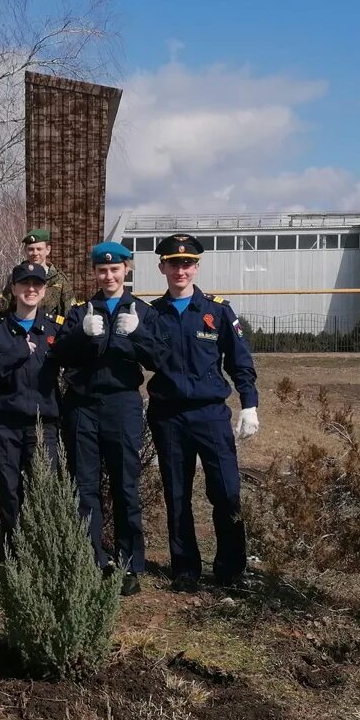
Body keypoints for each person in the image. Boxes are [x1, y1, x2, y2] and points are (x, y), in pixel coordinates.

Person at [147, 234, 260, 590]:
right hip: (168, 416)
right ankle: (185, 568)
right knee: (176, 492)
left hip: (210, 414)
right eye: (173, 263)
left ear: (197, 266)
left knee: (226, 490)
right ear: (161, 267)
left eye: (187, 263)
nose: (180, 269)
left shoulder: (217, 311)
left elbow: (240, 361)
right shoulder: (151, 314)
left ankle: (230, 568)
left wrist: (250, 404)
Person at [52, 240, 162, 596]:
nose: (109, 275)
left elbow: (159, 360)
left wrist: (139, 333)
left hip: (122, 404)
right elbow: (59, 355)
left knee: (125, 486)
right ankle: (91, 558)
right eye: (102, 270)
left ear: (126, 270)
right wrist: (84, 337)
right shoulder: (81, 311)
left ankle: (129, 563)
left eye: (115, 269)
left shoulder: (143, 312)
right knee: (85, 486)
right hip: (82, 405)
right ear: (95, 273)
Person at [0, 263, 63, 546]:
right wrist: (14, 354)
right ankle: (15, 550)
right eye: (24, 284)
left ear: (44, 291)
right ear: (13, 289)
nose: (30, 289)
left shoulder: (55, 329)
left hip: (43, 425)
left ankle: (43, 548)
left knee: (44, 488)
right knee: (9, 489)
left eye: (36, 285)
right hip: (4, 424)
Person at [0, 227, 75, 318]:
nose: (35, 253)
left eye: (39, 249)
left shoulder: (59, 280)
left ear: (48, 250)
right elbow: (4, 308)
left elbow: (69, 313)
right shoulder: (16, 277)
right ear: (25, 250)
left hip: (50, 329)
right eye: (31, 249)